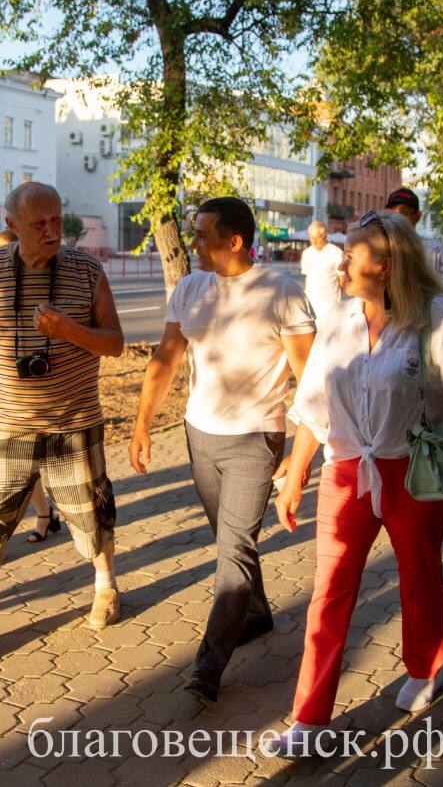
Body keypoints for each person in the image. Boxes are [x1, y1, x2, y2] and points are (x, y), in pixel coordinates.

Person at [264, 211, 443, 755]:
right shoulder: (339, 318)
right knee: (328, 592)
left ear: (387, 262)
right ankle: (308, 719)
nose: (343, 261)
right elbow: (314, 405)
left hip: (414, 470)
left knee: (418, 573)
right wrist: (296, 473)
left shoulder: (439, 318)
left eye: (353, 253)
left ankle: (425, 668)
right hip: (347, 471)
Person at [0, 182, 126, 679]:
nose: (51, 231)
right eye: (39, 223)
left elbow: (115, 342)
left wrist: (69, 332)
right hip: (6, 423)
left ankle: (105, 586)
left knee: (91, 512)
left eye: (57, 220)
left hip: (74, 421)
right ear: (12, 224)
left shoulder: (86, 271)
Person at [128, 197, 316, 704]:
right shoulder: (189, 288)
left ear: (234, 242)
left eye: (202, 236)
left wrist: (301, 455)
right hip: (199, 434)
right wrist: (142, 425)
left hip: (256, 438)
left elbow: (310, 380)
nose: (193, 244)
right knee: (229, 540)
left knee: (234, 550)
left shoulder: (282, 294)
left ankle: (207, 668)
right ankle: (254, 613)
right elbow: (165, 361)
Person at [0, 228, 61, 543]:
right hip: (4, 393)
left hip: (45, 391)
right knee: (20, 463)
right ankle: (43, 515)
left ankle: (55, 513)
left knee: (45, 461)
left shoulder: (45, 284)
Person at [386, 187, 443, 285]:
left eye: (403, 213)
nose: (397, 219)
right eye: (391, 213)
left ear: (418, 216)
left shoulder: (435, 251)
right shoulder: (378, 250)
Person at [299, 220, 343, 319]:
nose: (313, 241)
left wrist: (336, 296)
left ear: (325, 236)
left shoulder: (336, 253)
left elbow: (342, 279)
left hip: (330, 304)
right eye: (311, 238)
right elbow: (308, 278)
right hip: (311, 303)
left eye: (316, 238)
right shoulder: (307, 253)